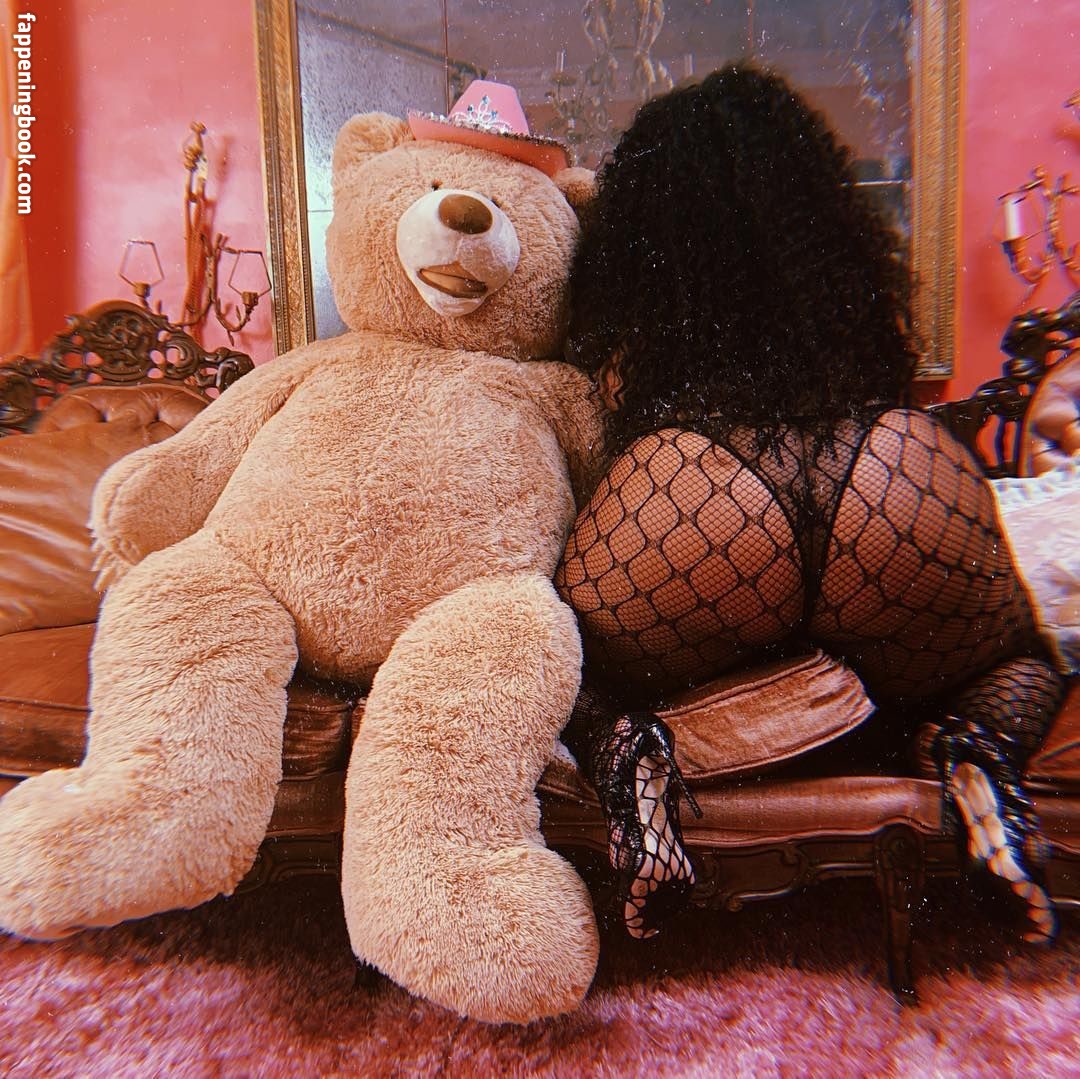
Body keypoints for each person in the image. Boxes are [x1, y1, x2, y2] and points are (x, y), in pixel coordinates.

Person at [553, 63, 1067, 944]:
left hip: (691, 494)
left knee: (565, 667)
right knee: (1020, 660)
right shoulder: (842, 306)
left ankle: (628, 755)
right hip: (888, 473)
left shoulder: (640, 331)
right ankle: (980, 754)